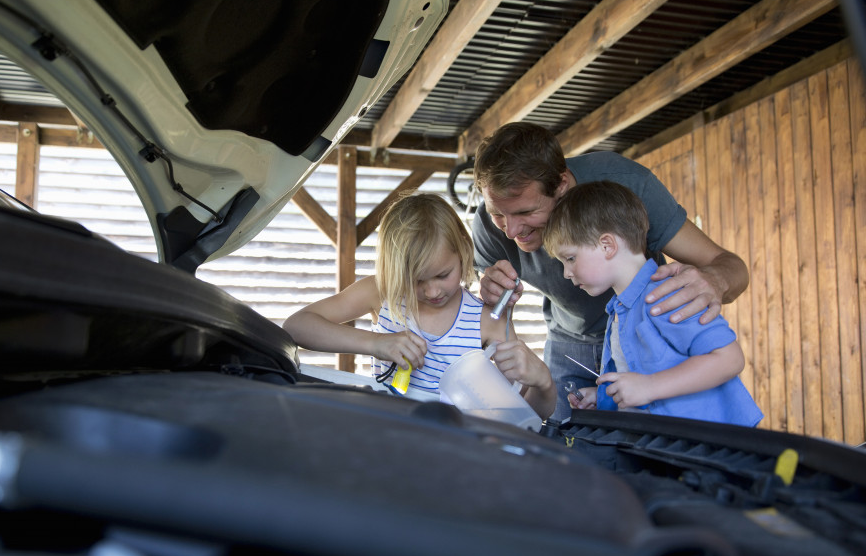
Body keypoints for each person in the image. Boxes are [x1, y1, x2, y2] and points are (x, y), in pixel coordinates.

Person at [471, 121, 749, 423]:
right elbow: (487, 317)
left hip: (649, 329)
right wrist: (488, 291)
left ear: (561, 185)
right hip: (568, 341)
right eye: (498, 213)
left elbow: (729, 265)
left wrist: (716, 279)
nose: (511, 231)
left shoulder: (626, 184)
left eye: (526, 212)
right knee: (569, 442)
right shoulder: (489, 224)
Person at [284, 192, 556, 419]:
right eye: (415, 281)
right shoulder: (384, 292)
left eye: (442, 275)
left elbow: (524, 415)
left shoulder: (486, 319)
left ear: (463, 250)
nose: (432, 291)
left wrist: (544, 385)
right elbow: (297, 327)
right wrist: (377, 344)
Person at [542, 180, 762, 426]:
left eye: (570, 258)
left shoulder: (665, 296)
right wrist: (603, 397)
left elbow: (729, 359)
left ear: (607, 245)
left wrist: (650, 386)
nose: (566, 273)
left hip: (709, 447)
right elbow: (640, 379)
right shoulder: (619, 309)